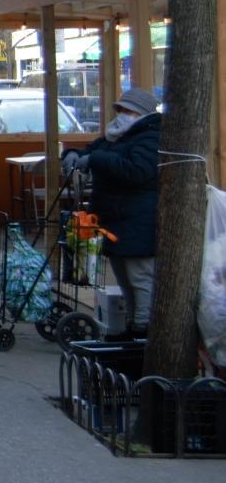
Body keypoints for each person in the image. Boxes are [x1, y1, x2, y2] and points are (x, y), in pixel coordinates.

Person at [62, 88, 161, 338]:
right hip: (116, 221)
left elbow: (137, 171)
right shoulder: (117, 136)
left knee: (140, 280)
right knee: (126, 282)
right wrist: (73, 153)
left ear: (142, 114)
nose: (122, 115)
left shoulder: (150, 137)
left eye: (128, 111)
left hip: (138, 221)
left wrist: (97, 159)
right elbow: (93, 150)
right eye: (120, 109)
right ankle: (131, 327)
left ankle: (142, 331)